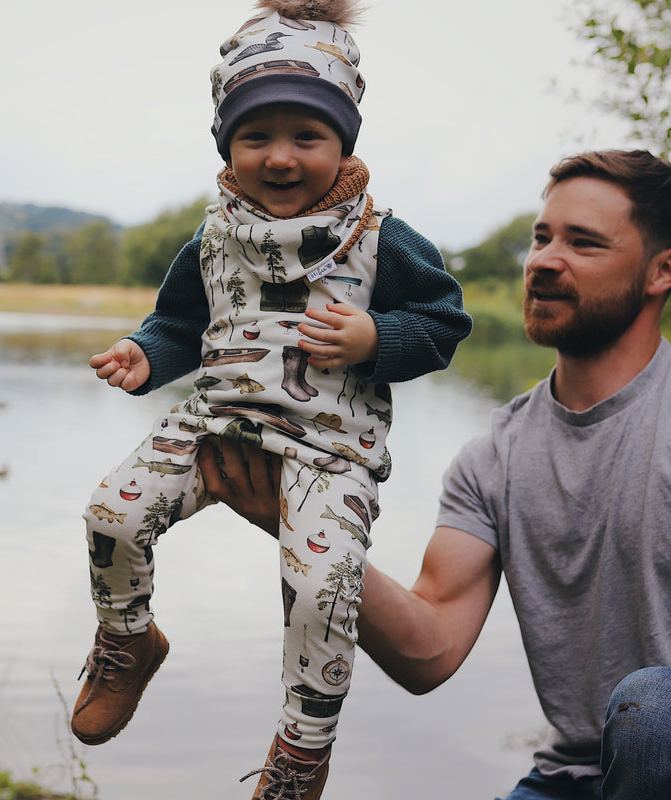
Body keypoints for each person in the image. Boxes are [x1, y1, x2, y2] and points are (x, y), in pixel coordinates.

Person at [71, 1, 472, 797]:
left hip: (331, 451)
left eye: (306, 138)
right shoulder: (214, 235)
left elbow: (443, 321)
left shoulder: (381, 238)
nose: (280, 158)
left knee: (324, 587)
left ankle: (301, 748)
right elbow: (181, 321)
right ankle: (127, 639)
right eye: (257, 138)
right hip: (215, 421)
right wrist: (143, 357)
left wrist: (373, 339)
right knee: (110, 511)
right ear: (227, 145)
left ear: (343, 143)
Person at [200, 148, 671, 800]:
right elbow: (431, 647)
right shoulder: (495, 456)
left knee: (653, 711)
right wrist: (297, 519)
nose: (544, 261)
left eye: (583, 243)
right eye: (542, 238)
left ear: (660, 272)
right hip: (571, 778)